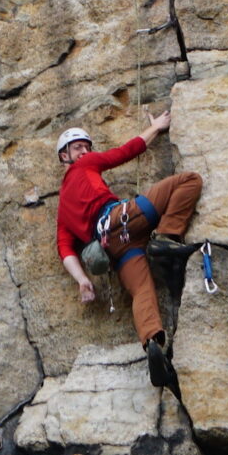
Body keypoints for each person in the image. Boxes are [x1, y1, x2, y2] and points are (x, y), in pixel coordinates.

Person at [54, 111, 202, 391]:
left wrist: (82, 280)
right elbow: (125, 152)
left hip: (116, 251)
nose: (84, 152)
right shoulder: (84, 165)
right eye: (78, 148)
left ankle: (152, 343)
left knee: (142, 291)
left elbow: (65, 248)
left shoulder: (62, 210)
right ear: (65, 156)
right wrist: (156, 127)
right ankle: (167, 236)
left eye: (86, 147)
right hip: (123, 219)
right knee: (189, 181)